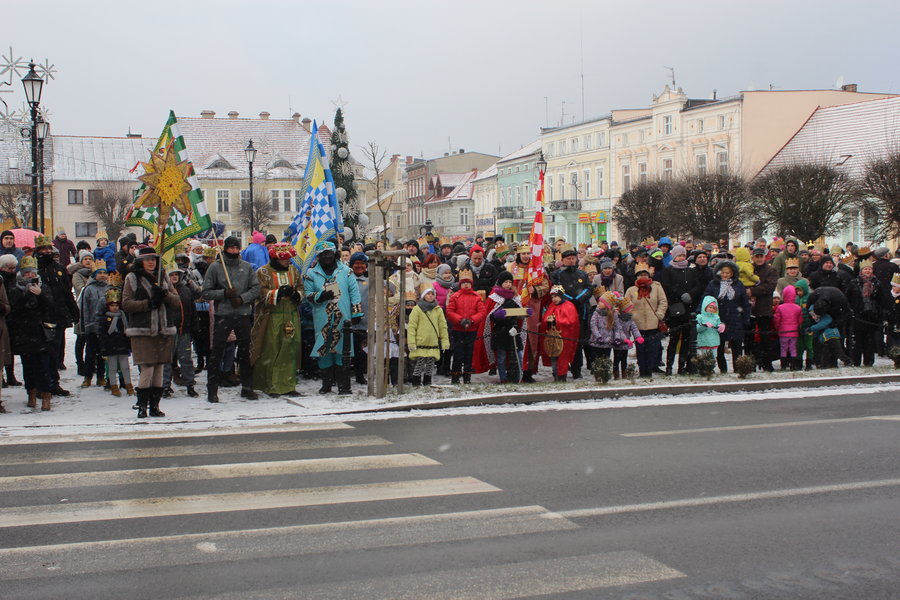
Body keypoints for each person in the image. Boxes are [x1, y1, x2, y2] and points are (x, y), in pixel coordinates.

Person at [122, 246, 181, 418]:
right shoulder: (132, 278)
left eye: (154, 259)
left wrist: (164, 295)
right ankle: (142, 406)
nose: (151, 262)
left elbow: (176, 301)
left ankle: (155, 406)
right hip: (143, 330)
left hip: (163, 329)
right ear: (140, 261)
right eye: (147, 259)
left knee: (160, 369)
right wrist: (149, 303)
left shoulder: (163, 276)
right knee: (147, 368)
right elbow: (126, 303)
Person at [201, 236, 261, 403]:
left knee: (245, 353)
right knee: (217, 353)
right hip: (223, 315)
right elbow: (205, 292)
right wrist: (223, 294)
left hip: (242, 314)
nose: (234, 251)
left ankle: (247, 387)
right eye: (231, 248)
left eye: (236, 248)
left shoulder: (247, 267)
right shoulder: (215, 268)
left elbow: (256, 289)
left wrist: (242, 299)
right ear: (225, 248)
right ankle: (212, 389)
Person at [303, 240, 363, 395]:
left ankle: (343, 384)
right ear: (318, 257)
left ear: (334, 254)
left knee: (343, 350)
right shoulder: (311, 274)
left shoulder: (346, 271)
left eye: (329, 253)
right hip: (322, 318)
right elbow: (307, 294)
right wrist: (320, 296)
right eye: (323, 255)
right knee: (324, 349)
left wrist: (356, 313)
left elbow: (354, 293)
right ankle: (327, 384)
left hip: (343, 318)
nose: (326, 257)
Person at [250, 242, 304, 395]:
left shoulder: (293, 271)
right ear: (276, 259)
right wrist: (277, 293)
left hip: (291, 315)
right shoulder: (263, 272)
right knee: (271, 349)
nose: (288, 261)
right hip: (272, 316)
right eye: (285, 259)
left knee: (290, 348)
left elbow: (301, 287)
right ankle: (270, 384)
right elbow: (259, 291)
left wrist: (296, 295)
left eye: (289, 258)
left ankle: (288, 384)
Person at [8, 256, 57, 410]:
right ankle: (31, 392)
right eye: (27, 273)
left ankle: (46, 395)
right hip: (23, 333)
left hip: (41, 332)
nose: (30, 275)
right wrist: (27, 296)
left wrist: (40, 295)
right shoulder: (15, 289)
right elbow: (14, 310)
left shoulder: (44, 287)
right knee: (27, 366)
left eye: (32, 272)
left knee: (43, 366)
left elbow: (50, 308)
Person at [34, 235, 76, 396]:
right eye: (43, 249)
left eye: (49, 248)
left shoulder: (58, 269)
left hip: (57, 314)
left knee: (54, 351)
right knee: (41, 353)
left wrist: (73, 310)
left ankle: (53, 382)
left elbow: (66, 292)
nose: (47, 251)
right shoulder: (35, 269)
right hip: (39, 316)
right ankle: (41, 385)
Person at [507, 244, 549, 382]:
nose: (526, 256)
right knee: (513, 337)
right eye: (523, 254)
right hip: (514, 306)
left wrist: (535, 290)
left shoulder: (536, 269)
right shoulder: (511, 268)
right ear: (518, 255)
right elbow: (504, 283)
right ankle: (513, 369)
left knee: (531, 339)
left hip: (532, 308)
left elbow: (546, 286)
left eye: (528, 254)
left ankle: (528, 371)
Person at [702, 260, 751, 373]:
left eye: (727, 273)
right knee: (719, 346)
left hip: (735, 318)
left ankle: (738, 368)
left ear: (732, 273)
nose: (724, 275)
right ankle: (722, 368)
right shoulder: (713, 284)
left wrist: (746, 317)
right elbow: (705, 299)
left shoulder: (738, 284)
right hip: (718, 318)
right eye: (723, 273)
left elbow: (745, 302)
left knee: (737, 346)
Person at [659, 245, 701, 375]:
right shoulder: (669, 270)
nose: (681, 257)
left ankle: (682, 366)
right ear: (674, 256)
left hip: (689, 310)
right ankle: (669, 367)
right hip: (676, 309)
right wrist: (680, 294)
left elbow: (697, 285)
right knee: (674, 339)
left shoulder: (691, 270)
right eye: (679, 255)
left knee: (687, 341)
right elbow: (667, 286)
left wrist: (691, 294)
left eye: (683, 255)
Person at [551, 248, 592, 378]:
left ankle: (577, 368)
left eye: (573, 258)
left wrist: (580, 298)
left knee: (578, 342)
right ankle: (561, 369)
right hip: (564, 311)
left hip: (580, 311)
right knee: (563, 340)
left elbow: (588, 288)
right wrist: (568, 299)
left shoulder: (582, 274)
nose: (571, 260)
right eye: (568, 258)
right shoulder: (557, 274)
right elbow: (557, 289)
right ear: (563, 260)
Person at [483, 271, 528, 384]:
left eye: (510, 282)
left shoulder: (515, 297)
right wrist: (497, 316)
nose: (508, 284)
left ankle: (518, 376)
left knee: (518, 354)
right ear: (500, 283)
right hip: (500, 332)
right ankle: (503, 378)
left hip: (514, 331)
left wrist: (524, 313)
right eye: (506, 282)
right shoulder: (494, 297)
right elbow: (489, 316)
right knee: (502, 357)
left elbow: (519, 314)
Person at [163, 263, 200, 398]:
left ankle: (190, 384)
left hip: (184, 330)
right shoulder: (164, 290)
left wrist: (194, 327)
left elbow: (192, 309)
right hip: (169, 331)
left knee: (186, 359)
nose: (174, 277)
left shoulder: (185, 290)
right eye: (171, 275)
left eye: (176, 274)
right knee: (167, 360)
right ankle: (165, 386)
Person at [624, 266, 668, 378]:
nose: (642, 277)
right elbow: (625, 305)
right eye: (640, 275)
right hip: (638, 325)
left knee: (653, 348)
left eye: (645, 274)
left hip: (653, 323)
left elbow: (663, 301)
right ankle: (642, 370)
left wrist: (659, 314)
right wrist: (631, 316)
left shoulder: (657, 287)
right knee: (641, 349)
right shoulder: (631, 290)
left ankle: (650, 368)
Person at [445, 268, 486, 384]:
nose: (466, 285)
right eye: (464, 283)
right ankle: (456, 376)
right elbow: (449, 311)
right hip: (458, 329)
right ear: (460, 284)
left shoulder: (476, 297)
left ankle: (467, 377)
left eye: (468, 282)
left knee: (469, 354)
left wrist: (472, 321)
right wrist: (460, 320)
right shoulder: (455, 297)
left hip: (471, 329)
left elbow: (482, 312)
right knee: (458, 354)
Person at [77, 259, 110, 388]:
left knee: (103, 353)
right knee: (90, 353)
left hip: (105, 326)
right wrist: (85, 326)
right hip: (92, 326)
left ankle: (101, 376)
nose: (102, 275)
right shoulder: (89, 289)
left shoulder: (108, 288)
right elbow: (85, 308)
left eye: (104, 272)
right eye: (99, 272)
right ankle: (88, 376)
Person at [407, 288, 449, 386]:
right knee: (419, 363)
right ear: (423, 296)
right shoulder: (417, 309)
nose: (430, 296)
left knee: (430, 364)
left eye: (432, 294)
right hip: (421, 341)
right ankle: (416, 382)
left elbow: (443, 326)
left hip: (433, 342)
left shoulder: (438, 310)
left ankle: (427, 381)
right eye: (428, 294)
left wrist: (445, 342)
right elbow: (412, 327)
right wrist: (411, 342)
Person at [845, 259, 883, 367]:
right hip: (858, 315)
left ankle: (869, 361)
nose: (867, 271)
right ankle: (856, 361)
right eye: (865, 269)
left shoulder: (877, 283)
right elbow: (848, 297)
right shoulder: (854, 282)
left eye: (869, 269)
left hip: (871, 316)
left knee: (870, 341)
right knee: (857, 341)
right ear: (861, 270)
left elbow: (880, 299)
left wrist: (879, 312)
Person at [98, 288, 133, 397]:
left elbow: (126, 331)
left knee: (125, 368)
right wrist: (103, 348)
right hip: (111, 346)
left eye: (117, 305)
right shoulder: (104, 319)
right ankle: (114, 386)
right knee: (112, 368)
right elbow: (102, 334)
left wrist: (128, 344)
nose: (115, 307)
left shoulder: (123, 317)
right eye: (112, 305)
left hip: (122, 345)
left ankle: (129, 386)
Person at [541, 285, 579, 381]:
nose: (554, 299)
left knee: (563, 358)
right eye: (552, 297)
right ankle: (556, 374)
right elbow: (545, 319)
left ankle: (562, 375)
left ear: (561, 296)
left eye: (556, 296)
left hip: (565, 337)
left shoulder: (569, 306)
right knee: (553, 355)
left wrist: (557, 320)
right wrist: (548, 321)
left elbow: (571, 321)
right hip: (552, 337)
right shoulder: (551, 306)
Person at [748, 248, 778, 371]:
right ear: (753, 257)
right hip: (750, 308)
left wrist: (752, 291)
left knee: (765, 337)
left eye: (761, 256)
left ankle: (767, 363)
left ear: (765, 257)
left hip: (764, 308)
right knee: (750, 337)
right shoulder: (749, 269)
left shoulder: (771, 270)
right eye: (757, 256)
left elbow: (769, 287)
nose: (759, 259)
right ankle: (751, 363)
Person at [349, 252, 370, 384]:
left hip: (364, 320)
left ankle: (360, 375)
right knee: (348, 349)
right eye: (357, 263)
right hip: (349, 320)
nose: (360, 266)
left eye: (362, 263)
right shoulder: (346, 278)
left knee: (362, 352)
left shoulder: (369, 280)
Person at [774, 285, 804, 370]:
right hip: (794, 332)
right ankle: (793, 365)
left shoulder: (780, 307)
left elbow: (777, 320)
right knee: (793, 348)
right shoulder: (797, 308)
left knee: (783, 348)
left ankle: (784, 365)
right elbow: (800, 320)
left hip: (783, 332)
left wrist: (778, 328)